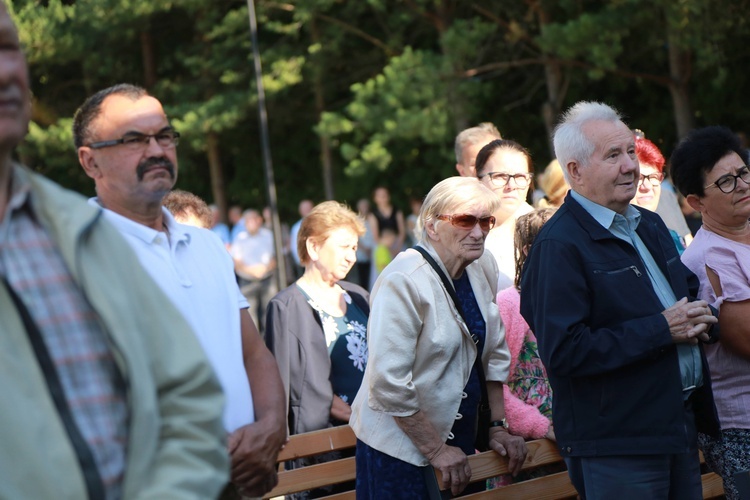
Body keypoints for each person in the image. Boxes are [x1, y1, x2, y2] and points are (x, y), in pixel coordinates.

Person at [0, 5, 228, 497]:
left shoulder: (75, 231)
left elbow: (190, 394)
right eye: (132, 140)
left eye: (7, 47)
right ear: (89, 161)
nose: (4, 71)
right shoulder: (101, 229)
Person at [73, 83, 287, 497]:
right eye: (133, 139)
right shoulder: (70, 256)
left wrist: (271, 427)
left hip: (244, 479)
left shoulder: (206, 246)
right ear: (90, 161)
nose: (156, 150)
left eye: (164, 135)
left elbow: (253, 353)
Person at [520, 101, 720, 499]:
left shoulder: (649, 224)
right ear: (574, 171)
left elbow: (683, 298)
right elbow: (565, 350)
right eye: (613, 155)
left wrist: (701, 317)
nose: (631, 165)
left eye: (630, 151)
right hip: (618, 444)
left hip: (675, 427)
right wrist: (662, 329)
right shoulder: (558, 245)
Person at [351, 176, 527, 498]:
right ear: (432, 227)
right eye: (464, 220)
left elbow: (493, 354)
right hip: (400, 454)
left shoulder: (481, 265)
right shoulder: (403, 280)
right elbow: (389, 384)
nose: (478, 232)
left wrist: (496, 427)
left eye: (486, 221)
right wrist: (436, 450)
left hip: (457, 449)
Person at [671, 126, 750, 500]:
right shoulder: (706, 260)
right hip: (741, 427)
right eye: (726, 182)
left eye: (743, 173)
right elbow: (746, 339)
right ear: (695, 202)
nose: (742, 185)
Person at [266, 201, 369, 434]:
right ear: (313, 247)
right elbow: (288, 387)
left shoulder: (359, 297)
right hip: (325, 441)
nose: (351, 257)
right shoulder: (286, 307)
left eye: (354, 248)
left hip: (376, 434)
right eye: (344, 247)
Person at [489, 208, 557, 489]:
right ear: (530, 251)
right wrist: (541, 427)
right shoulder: (510, 304)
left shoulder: (577, 301)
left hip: (574, 442)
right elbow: (494, 385)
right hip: (528, 448)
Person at [475, 139, 534, 290]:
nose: (511, 186)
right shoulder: (462, 230)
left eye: (520, 176)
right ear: (479, 180)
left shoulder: (545, 229)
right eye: (500, 176)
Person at [631, 136, 688, 253]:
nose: (646, 186)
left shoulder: (667, 198)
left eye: (653, 177)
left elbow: (689, 243)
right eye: (638, 178)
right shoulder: (619, 241)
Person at [232, 209, 277, 336]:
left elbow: (275, 257)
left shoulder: (268, 235)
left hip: (267, 278)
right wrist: (252, 270)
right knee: (250, 316)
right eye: (248, 220)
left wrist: (264, 269)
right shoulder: (240, 238)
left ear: (259, 220)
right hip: (247, 280)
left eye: (253, 219)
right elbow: (236, 261)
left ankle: (271, 341)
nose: (251, 223)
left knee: (269, 312)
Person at [368, 186, 406, 257]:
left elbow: (402, 232)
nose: (382, 197)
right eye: (379, 195)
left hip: (398, 245)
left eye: (384, 195)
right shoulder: (372, 214)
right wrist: (389, 250)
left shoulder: (397, 211)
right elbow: (376, 237)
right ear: (375, 198)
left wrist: (397, 248)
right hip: (381, 247)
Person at [289, 199, 314, 278]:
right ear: (300, 211)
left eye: (308, 208)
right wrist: (302, 261)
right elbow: (294, 246)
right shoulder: (296, 228)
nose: (307, 211)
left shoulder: (322, 225)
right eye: (304, 209)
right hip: (304, 266)